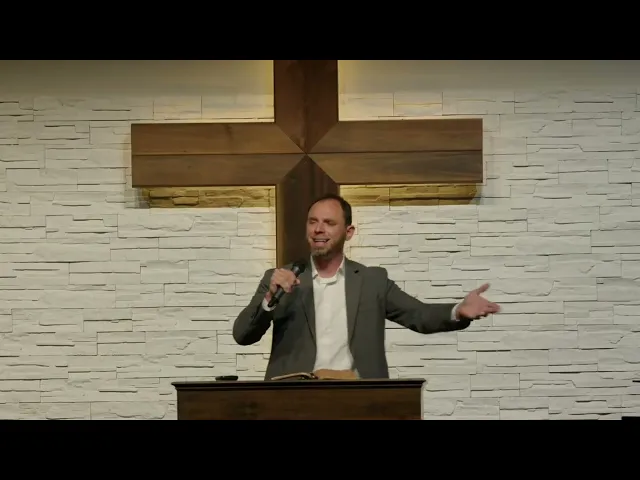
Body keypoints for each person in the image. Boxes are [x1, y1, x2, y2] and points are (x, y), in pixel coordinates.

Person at [232, 193, 500, 380]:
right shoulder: (280, 278)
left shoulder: (373, 281)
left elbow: (418, 314)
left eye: (329, 223)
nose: (318, 229)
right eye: (313, 222)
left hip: (358, 397)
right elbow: (243, 335)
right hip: (292, 399)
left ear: (348, 232)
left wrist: (457, 310)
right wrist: (270, 299)